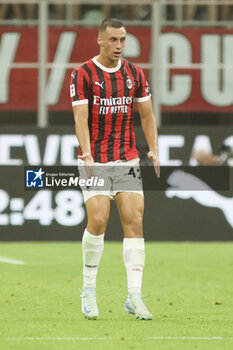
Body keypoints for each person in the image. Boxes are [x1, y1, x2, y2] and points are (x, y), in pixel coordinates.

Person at [70, 18, 160, 321]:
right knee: (98, 220)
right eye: (113, 40)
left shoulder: (135, 73)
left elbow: (147, 115)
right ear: (99, 39)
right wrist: (88, 157)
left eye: (122, 40)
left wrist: (153, 148)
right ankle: (89, 290)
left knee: (134, 219)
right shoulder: (82, 74)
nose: (119, 46)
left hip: (127, 159)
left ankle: (134, 296)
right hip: (94, 159)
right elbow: (80, 118)